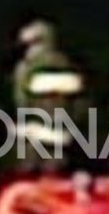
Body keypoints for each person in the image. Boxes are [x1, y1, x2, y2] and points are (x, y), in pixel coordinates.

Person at [10, 19, 85, 174]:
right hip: (63, 142)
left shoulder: (26, 70)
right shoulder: (70, 68)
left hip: (40, 143)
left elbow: (22, 102)